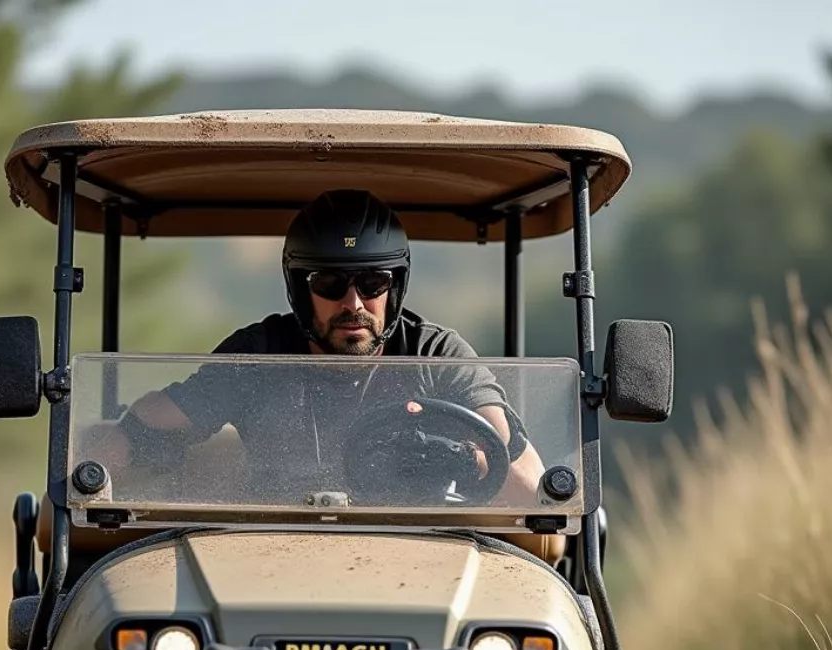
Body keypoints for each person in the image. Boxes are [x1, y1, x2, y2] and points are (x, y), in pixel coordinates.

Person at [102, 190, 547, 505]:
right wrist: (90, 464)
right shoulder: (257, 355)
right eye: (330, 283)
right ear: (301, 289)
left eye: (373, 283)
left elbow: (514, 462)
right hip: (267, 549)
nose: (353, 303)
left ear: (395, 288)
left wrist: (465, 460)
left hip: (420, 549)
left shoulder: (436, 354)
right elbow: (144, 426)